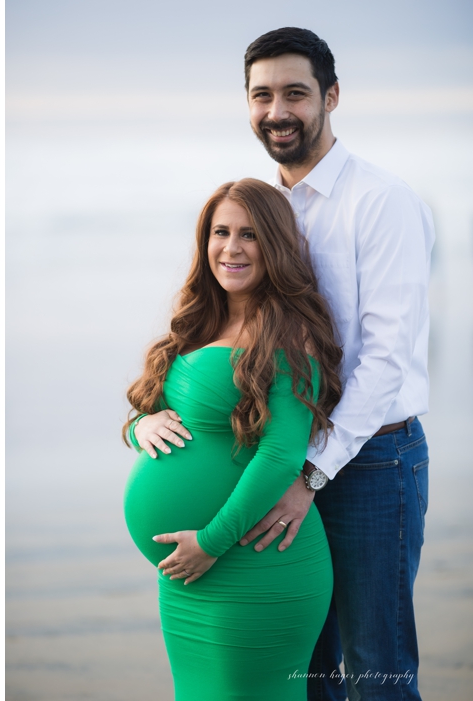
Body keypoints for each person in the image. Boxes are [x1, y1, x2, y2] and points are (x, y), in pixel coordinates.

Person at [129, 28, 433, 700]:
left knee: (375, 663)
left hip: (370, 462)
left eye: (295, 93)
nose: (277, 111)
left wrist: (309, 473)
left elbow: (386, 358)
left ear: (331, 96)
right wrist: (142, 422)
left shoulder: (381, 202)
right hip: (282, 462)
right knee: (304, 673)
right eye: (262, 95)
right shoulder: (262, 209)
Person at [123, 178, 343, 699]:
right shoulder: (200, 322)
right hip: (189, 575)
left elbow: (281, 454)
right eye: (220, 232)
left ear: (276, 245)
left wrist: (210, 543)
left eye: (250, 235)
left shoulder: (289, 332)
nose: (232, 248)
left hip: (253, 561)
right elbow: (156, 411)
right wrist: (140, 426)